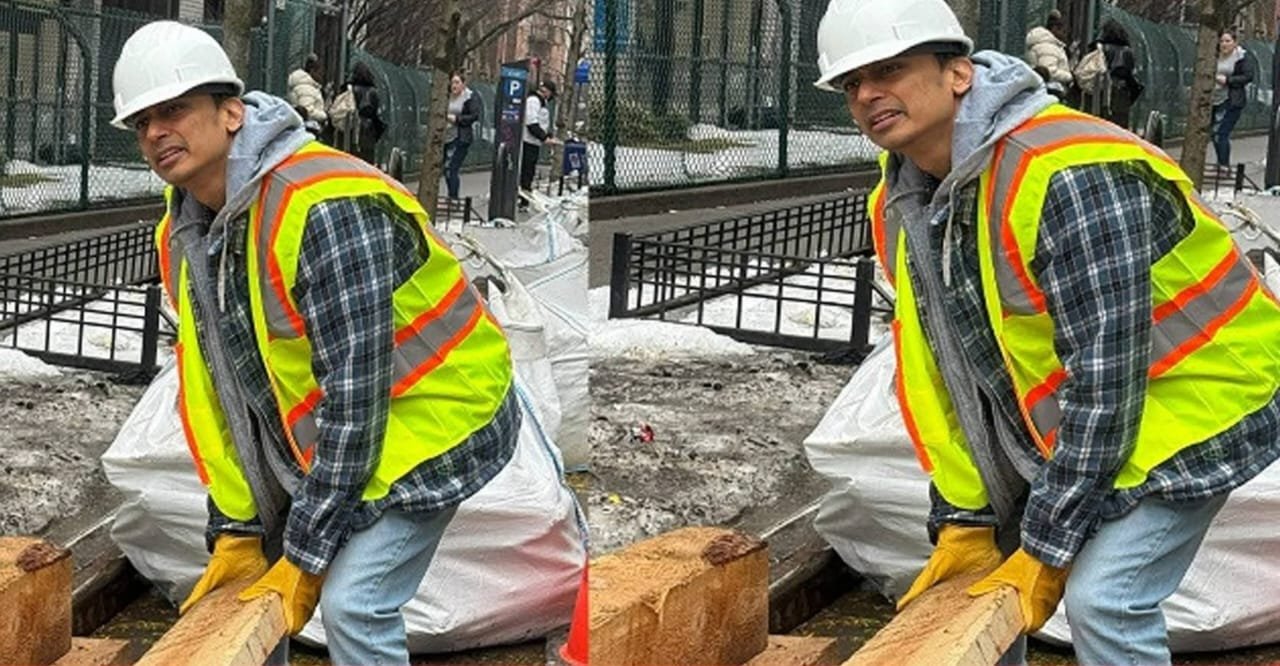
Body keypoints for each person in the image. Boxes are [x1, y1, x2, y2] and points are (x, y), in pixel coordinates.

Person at [812, 1, 1280, 665]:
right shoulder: (902, 204)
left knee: (1106, 600)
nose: (866, 94)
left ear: (958, 73)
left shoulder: (1068, 173)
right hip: (1096, 415)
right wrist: (966, 517)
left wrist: (1047, 545)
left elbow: (1106, 377)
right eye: (851, 83)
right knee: (977, 590)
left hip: (1203, 400)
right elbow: (944, 369)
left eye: (890, 70)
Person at [110, 21, 520, 666]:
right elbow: (218, 387)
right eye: (141, 123)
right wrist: (238, 527)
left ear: (231, 112)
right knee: (249, 594)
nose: (156, 132)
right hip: (337, 430)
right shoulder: (184, 229)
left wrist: (304, 556)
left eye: (174, 110)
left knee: (354, 603)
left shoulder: (323, 206)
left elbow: (355, 394)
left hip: (436, 419)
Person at [1083, 19, 1143, 130]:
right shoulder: (1127, 51)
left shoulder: (1098, 48)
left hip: (1098, 89)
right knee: (1118, 125)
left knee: (1096, 123)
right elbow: (1130, 72)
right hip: (1120, 92)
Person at [1212, 29, 1255, 173]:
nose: (1224, 44)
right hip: (1213, 99)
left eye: (1228, 41)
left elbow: (1248, 76)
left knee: (1220, 133)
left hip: (1231, 100)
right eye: (1222, 41)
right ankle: (1220, 163)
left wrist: (1228, 80)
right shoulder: (1213, 55)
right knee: (1213, 134)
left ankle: (1224, 165)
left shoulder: (1241, 57)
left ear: (1235, 43)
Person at [443, 72, 482, 200]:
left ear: (463, 84)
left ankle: (453, 198)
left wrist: (457, 119)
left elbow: (474, 116)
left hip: (460, 137)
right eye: (452, 83)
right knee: (445, 169)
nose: (453, 86)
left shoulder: (469, 97)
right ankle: (451, 196)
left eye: (457, 82)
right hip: (445, 136)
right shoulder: (446, 95)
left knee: (451, 168)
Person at [519, 80, 556, 210]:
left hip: (534, 141)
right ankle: (523, 200)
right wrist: (544, 137)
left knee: (529, 171)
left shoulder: (541, 102)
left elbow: (541, 122)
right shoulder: (534, 101)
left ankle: (524, 198)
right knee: (526, 171)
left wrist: (547, 135)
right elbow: (531, 123)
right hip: (528, 141)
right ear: (547, 91)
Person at [344, 61, 386, 166]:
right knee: (367, 161)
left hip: (352, 128)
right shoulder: (373, 92)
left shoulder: (349, 89)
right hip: (369, 131)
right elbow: (376, 111)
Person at [1024, 10, 1072, 101]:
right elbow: (1049, 71)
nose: (1065, 35)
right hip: (1051, 90)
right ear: (1054, 28)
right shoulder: (1048, 47)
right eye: (1063, 31)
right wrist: (1069, 76)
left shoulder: (1045, 44)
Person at [287, 53, 327, 134]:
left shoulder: (305, 86)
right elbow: (307, 111)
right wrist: (324, 116)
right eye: (320, 72)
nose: (322, 75)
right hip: (308, 129)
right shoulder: (306, 89)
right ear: (312, 71)